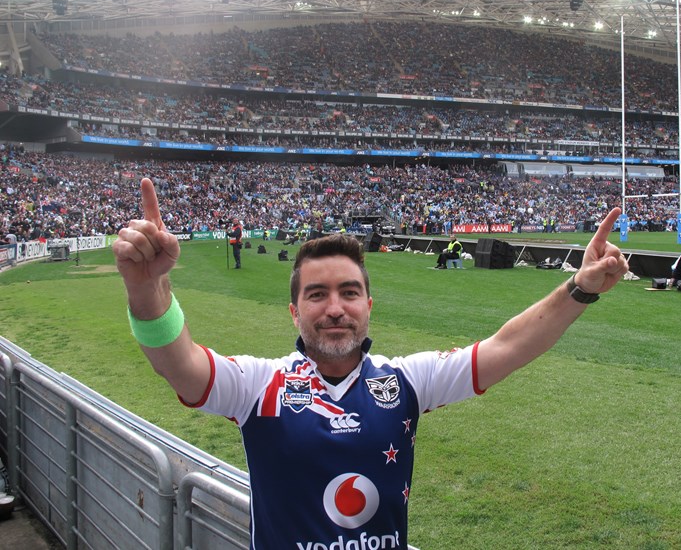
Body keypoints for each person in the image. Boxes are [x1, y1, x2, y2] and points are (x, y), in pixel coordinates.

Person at [113, 178, 628, 550]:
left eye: (349, 292)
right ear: (294, 312)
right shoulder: (258, 386)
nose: (335, 308)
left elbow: (507, 347)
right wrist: (146, 288)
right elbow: (179, 365)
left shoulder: (405, 381)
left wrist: (579, 289)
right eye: (317, 294)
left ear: (368, 306)